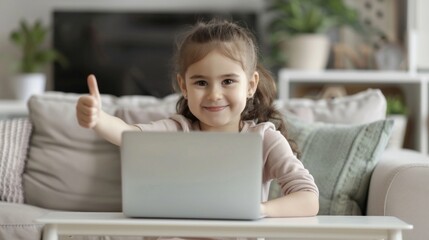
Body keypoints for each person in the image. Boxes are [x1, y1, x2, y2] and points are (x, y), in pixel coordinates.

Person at [76, 19, 319, 217]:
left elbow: (308, 198)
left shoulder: (265, 139)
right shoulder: (176, 130)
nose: (214, 95)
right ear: (184, 86)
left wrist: (261, 210)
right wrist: (98, 119)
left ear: (251, 85)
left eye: (228, 81)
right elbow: (127, 135)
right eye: (201, 82)